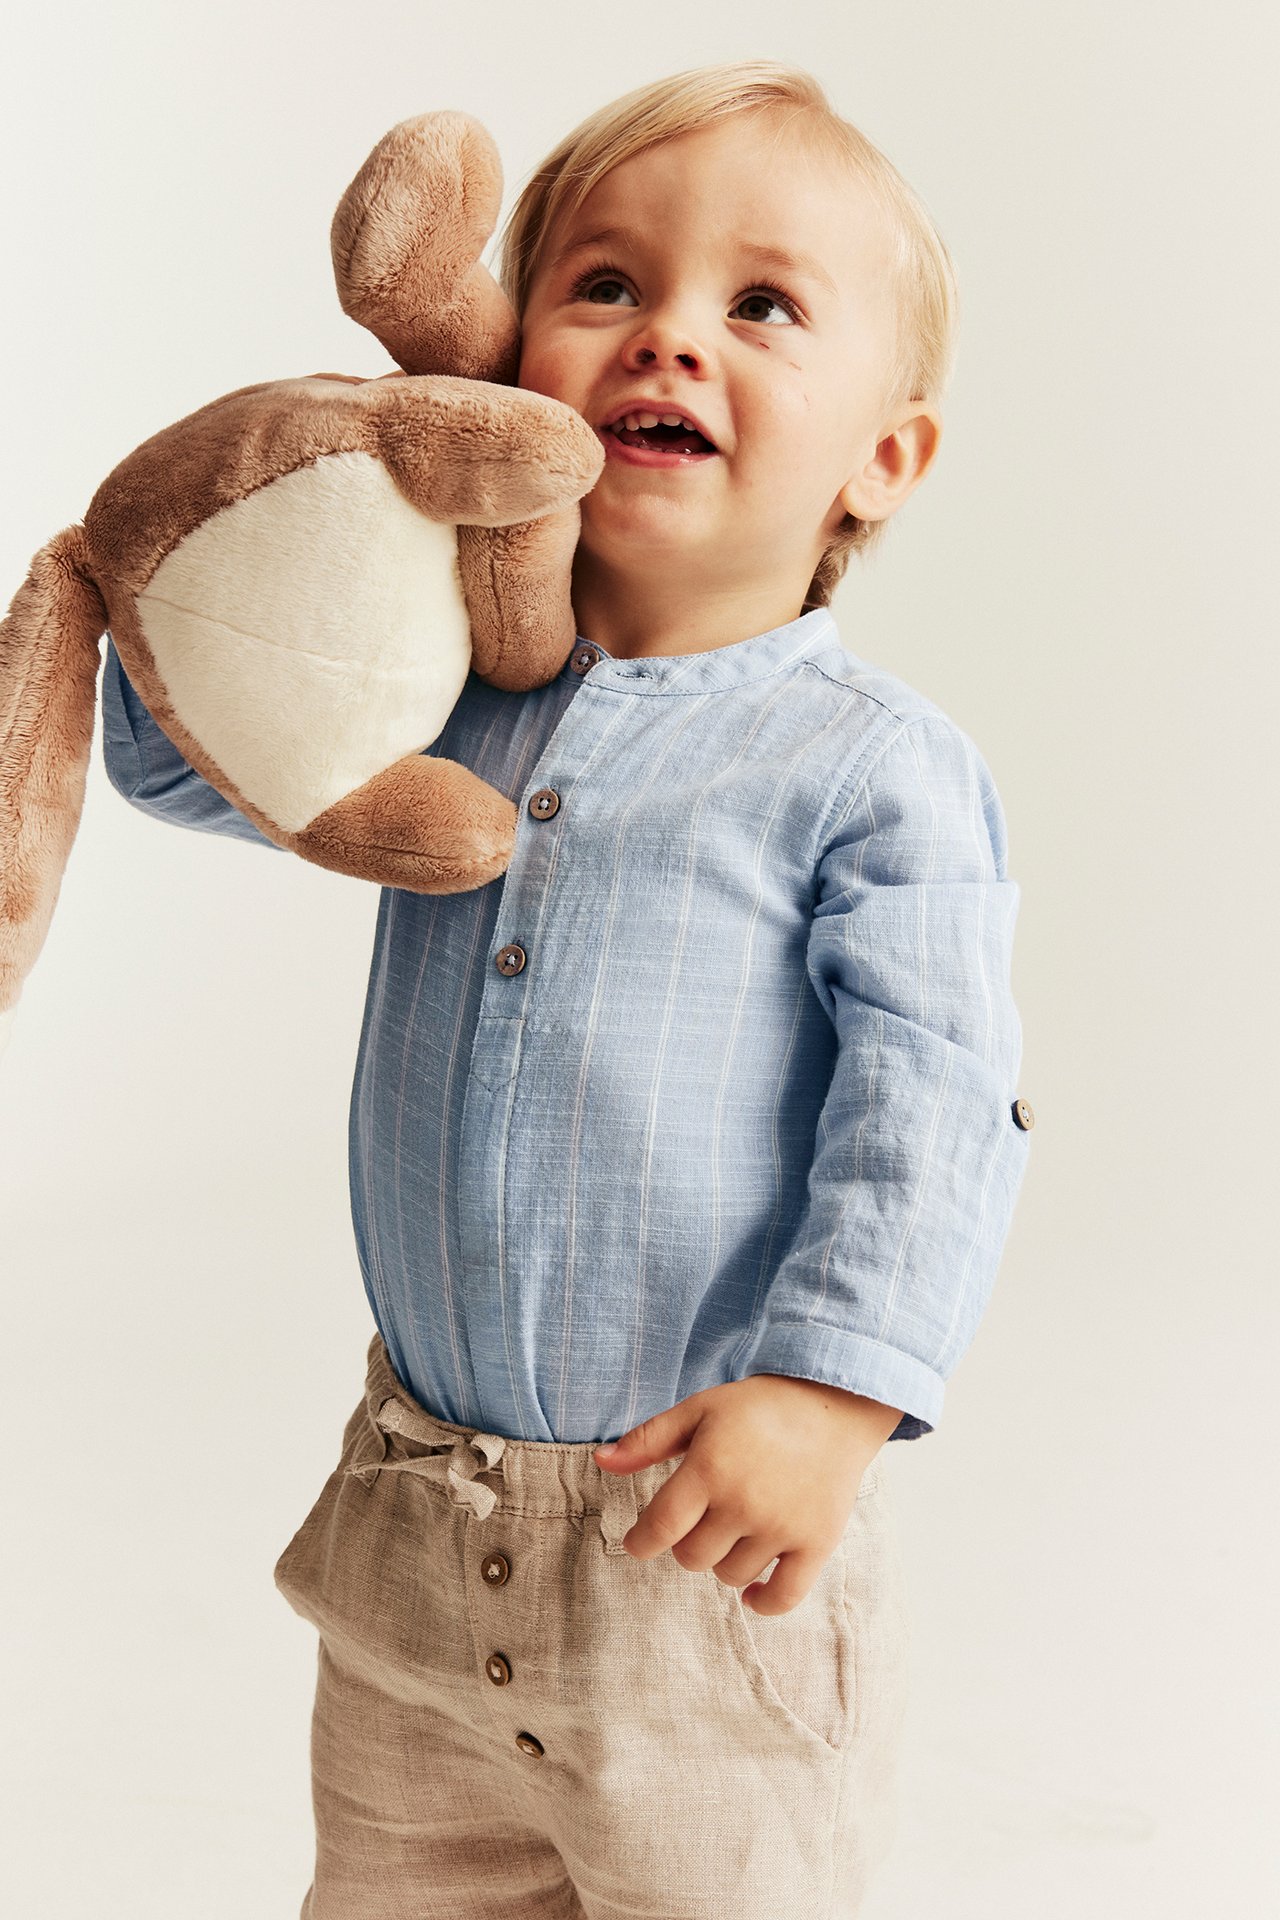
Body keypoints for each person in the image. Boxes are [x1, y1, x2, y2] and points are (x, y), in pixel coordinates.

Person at [100, 59, 1033, 1920]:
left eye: (760, 307)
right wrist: (320, 524)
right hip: (413, 1546)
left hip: (706, 1564)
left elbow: (932, 1104)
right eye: (603, 284)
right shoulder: (437, 681)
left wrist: (832, 1394)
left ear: (885, 457)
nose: (665, 338)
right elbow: (184, 760)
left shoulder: (869, 767)